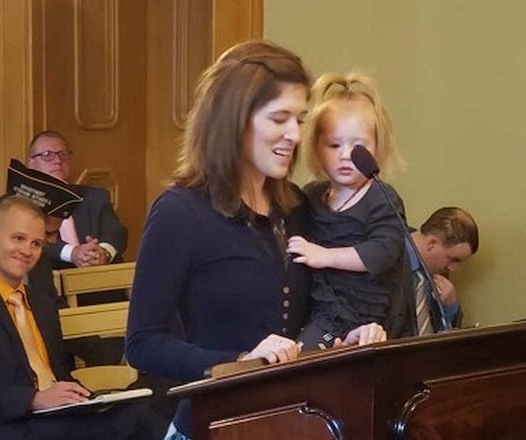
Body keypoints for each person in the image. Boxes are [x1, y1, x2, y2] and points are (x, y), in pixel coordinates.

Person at [125, 40, 386, 440]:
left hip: (296, 421)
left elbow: (307, 317)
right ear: (235, 119)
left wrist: (341, 341)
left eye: (299, 120)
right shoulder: (179, 212)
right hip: (214, 424)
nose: (295, 135)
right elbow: (143, 344)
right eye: (279, 118)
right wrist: (241, 361)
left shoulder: (297, 205)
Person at [0, 196, 162, 440]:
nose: (27, 251)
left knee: (142, 407)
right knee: (134, 422)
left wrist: (82, 397)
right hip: (1, 427)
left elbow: (56, 372)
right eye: (18, 238)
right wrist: (34, 400)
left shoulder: (41, 303)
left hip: (54, 417)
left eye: (37, 244)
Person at [0, 160, 123, 367]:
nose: (51, 242)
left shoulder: (38, 254)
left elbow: (52, 313)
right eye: (48, 233)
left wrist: (112, 358)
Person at [286, 71, 412, 348]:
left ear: (376, 149)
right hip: (319, 306)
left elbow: (382, 252)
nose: (345, 155)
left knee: (304, 358)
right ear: (317, 149)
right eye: (334, 145)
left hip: (359, 314)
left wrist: (325, 256)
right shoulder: (313, 196)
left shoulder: (381, 197)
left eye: (358, 146)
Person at [27, 130, 127, 270]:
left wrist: (102, 252)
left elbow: (117, 232)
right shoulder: (21, 203)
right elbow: (29, 241)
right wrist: (72, 253)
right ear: (31, 163)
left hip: (99, 283)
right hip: (51, 284)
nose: (58, 161)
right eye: (47, 155)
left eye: (63, 154)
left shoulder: (95, 197)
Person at [410, 206, 479, 332]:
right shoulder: (384, 257)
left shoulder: (439, 272)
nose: (453, 268)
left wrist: (450, 306)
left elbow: (449, 331)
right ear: (432, 244)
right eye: (453, 259)